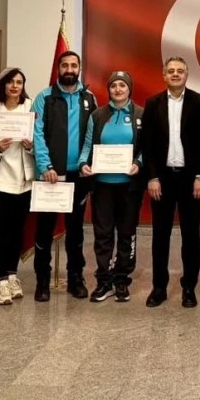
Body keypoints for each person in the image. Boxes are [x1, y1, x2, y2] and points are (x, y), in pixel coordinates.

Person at [140, 57, 200, 308]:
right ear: (164, 75)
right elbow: (147, 145)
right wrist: (152, 177)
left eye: (179, 71)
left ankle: (189, 287)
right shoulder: (153, 103)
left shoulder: (199, 102)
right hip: (162, 180)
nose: (175, 74)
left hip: (191, 180)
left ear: (186, 75)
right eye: (170, 71)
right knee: (160, 235)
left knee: (191, 235)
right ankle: (159, 287)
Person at [32, 50, 98, 301]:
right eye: (65, 65)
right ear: (58, 69)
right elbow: (37, 133)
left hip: (79, 176)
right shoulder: (44, 97)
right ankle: (42, 280)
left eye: (73, 65)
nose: (69, 69)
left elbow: (93, 135)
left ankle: (75, 277)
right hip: (50, 175)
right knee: (44, 230)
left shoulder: (88, 98)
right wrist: (45, 166)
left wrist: (85, 164)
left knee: (76, 230)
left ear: (79, 69)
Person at [78, 71, 144, 303]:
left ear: (129, 89)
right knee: (103, 234)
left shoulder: (140, 115)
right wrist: (83, 163)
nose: (118, 89)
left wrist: (138, 163)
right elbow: (88, 144)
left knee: (126, 233)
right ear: (109, 89)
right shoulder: (98, 115)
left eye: (122, 85)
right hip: (103, 186)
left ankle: (121, 280)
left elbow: (147, 147)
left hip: (129, 187)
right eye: (114, 85)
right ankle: (104, 281)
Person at [0, 67, 35, 305]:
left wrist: (30, 146)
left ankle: (13, 276)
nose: (15, 86)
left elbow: (40, 141)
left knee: (16, 231)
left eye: (19, 82)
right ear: (2, 85)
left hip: (23, 182)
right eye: (10, 82)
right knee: (0, 232)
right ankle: (1, 281)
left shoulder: (30, 108)